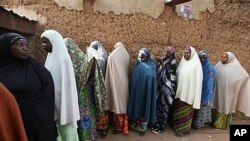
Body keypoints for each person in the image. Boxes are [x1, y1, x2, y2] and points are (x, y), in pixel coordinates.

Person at [0, 33, 57, 141]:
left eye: (26, 46)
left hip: (33, 122)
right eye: (20, 45)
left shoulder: (35, 67)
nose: (25, 49)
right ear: (6, 47)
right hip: (8, 120)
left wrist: (34, 108)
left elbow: (47, 89)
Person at [41, 30, 80, 141]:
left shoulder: (64, 60)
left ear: (54, 42)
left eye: (45, 42)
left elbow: (67, 87)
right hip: (53, 101)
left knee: (66, 129)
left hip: (63, 102)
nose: (43, 45)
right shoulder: (50, 58)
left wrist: (64, 105)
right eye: (42, 42)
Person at [212, 52, 250, 129]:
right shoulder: (219, 65)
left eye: (225, 57)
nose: (222, 59)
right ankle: (215, 123)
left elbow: (245, 76)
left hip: (229, 93)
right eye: (222, 57)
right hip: (219, 91)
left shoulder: (235, 67)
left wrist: (235, 83)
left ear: (230, 58)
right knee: (218, 105)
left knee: (226, 106)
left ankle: (222, 125)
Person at [171, 46, 203, 136]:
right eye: (185, 53)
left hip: (189, 96)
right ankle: (177, 128)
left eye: (188, 53)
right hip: (179, 93)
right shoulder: (182, 63)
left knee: (185, 115)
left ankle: (183, 131)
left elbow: (198, 83)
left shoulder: (196, 66)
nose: (186, 54)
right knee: (177, 113)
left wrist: (196, 98)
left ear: (192, 54)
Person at [127, 48, 157, 135]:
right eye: (139, 56)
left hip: (146, 92)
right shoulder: (138, 65)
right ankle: (135, 125)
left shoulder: (151, 66)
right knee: (136, 106)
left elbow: (152, 77)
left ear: (147, 56)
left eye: (143, 56)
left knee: (145, 107)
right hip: (137, 92)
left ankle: (143, 129)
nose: (141, 58)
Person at [150, 45, 177, 134]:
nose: (165, 53)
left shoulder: (172, 63)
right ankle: (154, 124)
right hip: (159, 89)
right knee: (157, 107)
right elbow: (157, 72)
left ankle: (160, 127)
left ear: (172, 53)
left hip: (166, 91)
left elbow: (170, 77)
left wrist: (162, 63)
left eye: (168, 52)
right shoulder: (163, 60)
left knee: (163, 109)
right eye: (165, 51)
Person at [105, 42, 130, 135]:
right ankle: (125, 127)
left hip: (117, 83)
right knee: (123, 105)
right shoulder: (126, 54)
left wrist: (109, 55)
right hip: (124, 82)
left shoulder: (112, 57)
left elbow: (110, 66)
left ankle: (118, 128)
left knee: (117, 105)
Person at [192, 50, 215, 129]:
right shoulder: (199, 66)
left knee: (202, 110)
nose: (202, 59)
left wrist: (205, 98)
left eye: (204, 57)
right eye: (200, 57)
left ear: (207, 58)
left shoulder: (208, 68)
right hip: (199, 91)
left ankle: (198, 126)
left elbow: (209, 84)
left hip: (205, 93)